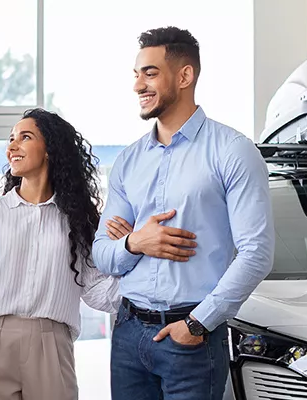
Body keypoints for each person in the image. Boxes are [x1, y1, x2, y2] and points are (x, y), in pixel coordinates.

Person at [91, 26, 275, 400]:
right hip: (127, 332)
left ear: (185, 75)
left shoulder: (233, 151)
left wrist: (197, 322)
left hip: (192, 337)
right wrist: (135, 241)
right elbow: (102, 254)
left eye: (150, 73)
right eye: (137, 74)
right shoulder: (128, 161)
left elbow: (257, 253)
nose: (138, 85)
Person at [0, 109, 118, 400]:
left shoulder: (79, 220)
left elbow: (97, 292)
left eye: (25, 137)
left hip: (52, 345)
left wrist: (133, 256)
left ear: (50, 149)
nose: (12, 146)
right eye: (11, 139)